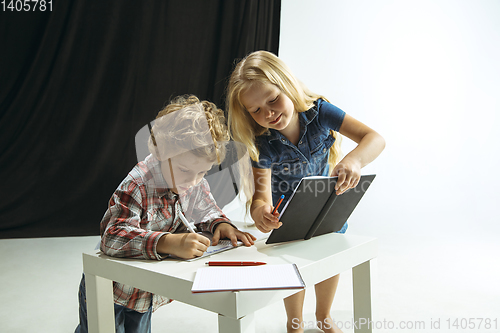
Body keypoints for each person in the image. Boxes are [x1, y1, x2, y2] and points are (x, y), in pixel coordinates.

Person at [226, 51, 385, 333]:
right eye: (256, 110)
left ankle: (324, 317)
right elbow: (261, 196)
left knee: (329, 258)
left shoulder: (321, 112)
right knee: (292, 267)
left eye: (273, 100)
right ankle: (294, 323)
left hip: (327, 206)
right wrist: (261, 211)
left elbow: (374, 138)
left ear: (287, 84)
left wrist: (354, 160)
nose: (268, 113)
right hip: (288, 217)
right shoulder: (262, 143)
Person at [75, 95, 256, 333]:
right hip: (110, 291)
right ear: (161, 152)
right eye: (184, 170)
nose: (192, 181)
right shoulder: (137, 185)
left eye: (202, 172)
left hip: (143, 293)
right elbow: (112, 237)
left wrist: (220, 223)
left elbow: (207, 207)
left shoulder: (192, 180)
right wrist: (167, 242)